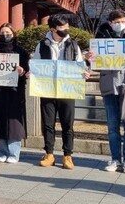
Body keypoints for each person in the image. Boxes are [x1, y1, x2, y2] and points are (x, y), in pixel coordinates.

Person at [87, 9, 125, 174]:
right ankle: (115, 159)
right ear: (110, 23)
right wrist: (90, 58)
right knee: (112, 127)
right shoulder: (102, 39)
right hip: (109, 86)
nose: (119, 25)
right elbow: (95, 66)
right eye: (116, 22)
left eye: (121, 21)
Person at [31, 14, 90, 170]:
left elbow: (80, 65)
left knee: (67, 124)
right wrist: (32, 72)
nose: (66, 29)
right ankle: (49, 153)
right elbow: (36, 63)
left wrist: (84, 72)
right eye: (62, 27)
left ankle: (67, 155)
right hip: (47, 88)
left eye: (66, 27)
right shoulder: (42, 44)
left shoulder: (73, 44)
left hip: (67, 89)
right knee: (48, 123)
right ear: (53, 29)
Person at [0, 23, 29, 163]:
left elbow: (27, 72)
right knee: (0, 120)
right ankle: (2, 151)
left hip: (15, 93)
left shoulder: (21, 52)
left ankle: (14, 153)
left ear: (13, 34)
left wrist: (21, 71)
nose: (5, 35)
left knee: (14, 123)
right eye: (2, 33)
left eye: (8, 33)